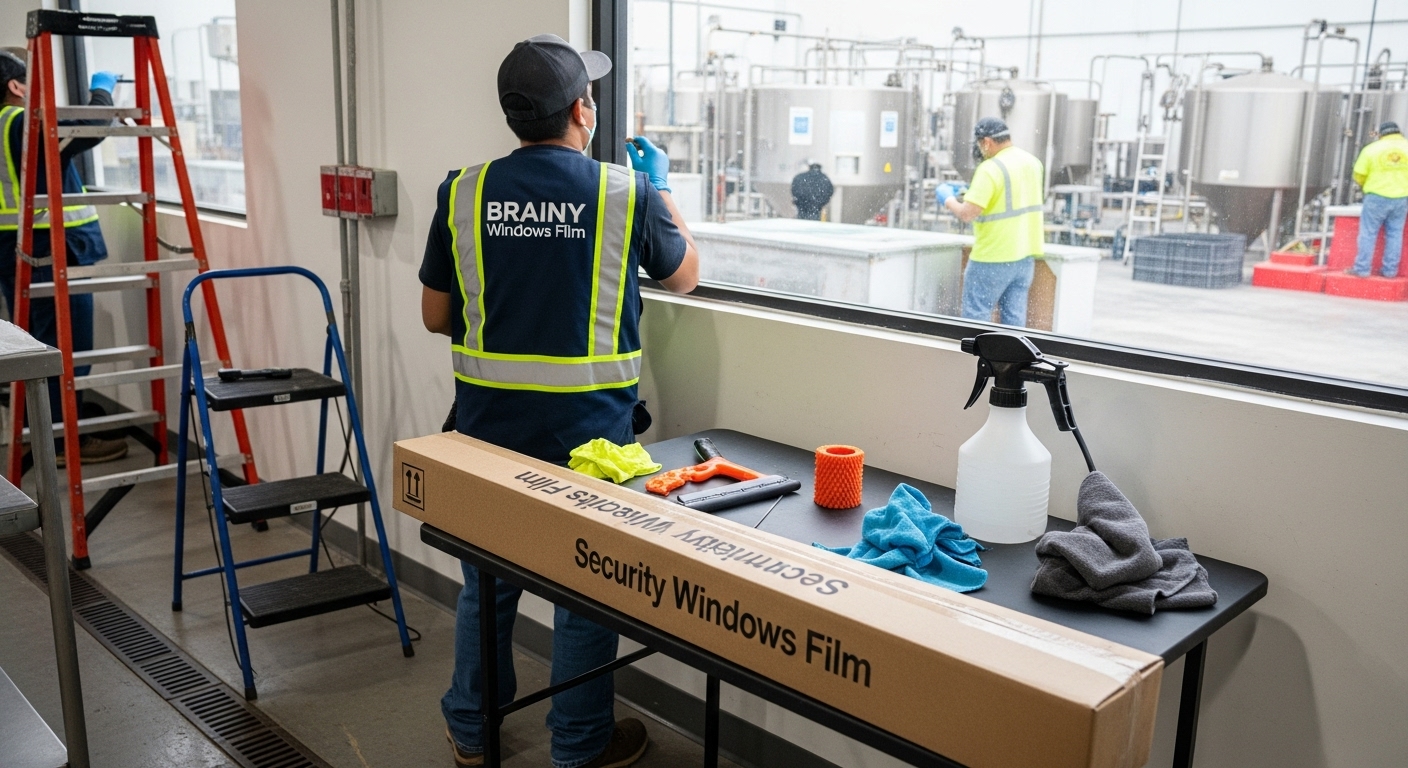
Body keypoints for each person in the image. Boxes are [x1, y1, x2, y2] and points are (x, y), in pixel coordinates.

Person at [419, 34, 699, 768]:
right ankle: (578, 743)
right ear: (583, 109)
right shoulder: (623, 191)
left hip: (486, 434)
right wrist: (660, 187)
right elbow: (683, 278)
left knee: (489, 584)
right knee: (585, 588)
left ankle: (472, 733)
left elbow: (434, 315)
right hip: (592, 441)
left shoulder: (463, 189)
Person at [0, 48, 127, 464]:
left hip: (16, 249)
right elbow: (82, 130)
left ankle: (39, 430)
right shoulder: (19, 121)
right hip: (47, 248)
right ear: (16, 86)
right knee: (62, 346)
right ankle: (57, 442)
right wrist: (102, 92)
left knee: (35, 344)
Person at [936, 117, 1045, 327]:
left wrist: (947, 198)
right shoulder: (1032, 163)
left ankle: (974, 361)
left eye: (979, 145)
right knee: (1013, 321)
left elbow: (967, 213)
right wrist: (972, 191)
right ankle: (1011, 361)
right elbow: (1012, 196)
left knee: (976, 319)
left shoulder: (989, 169)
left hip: (992, 258)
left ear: (986, 142)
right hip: (1025, 258)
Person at [1348, 120, 1408, 279]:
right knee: (1395, 234)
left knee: (1368, 233)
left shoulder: (1371, 149)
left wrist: (1365, 184)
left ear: (1381, 134)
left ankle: (1362, 269)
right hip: (1402, 197)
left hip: (1376, 196)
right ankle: (1390, 271)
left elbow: (1358, 174)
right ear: (1398, 132)